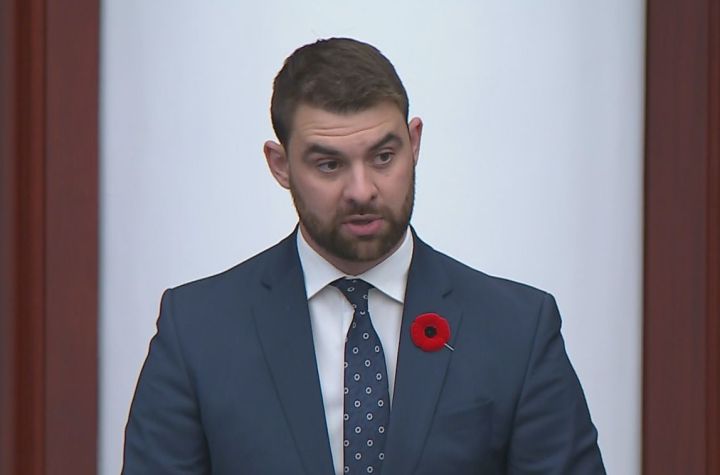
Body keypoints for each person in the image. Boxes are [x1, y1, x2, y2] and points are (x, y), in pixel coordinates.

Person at [123, 37, 605, 475]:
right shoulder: (198, 331)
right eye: (329, 164)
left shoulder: (516, 329)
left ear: (414, 143)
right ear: (280, 165)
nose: (362, 190)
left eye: (383, 157)